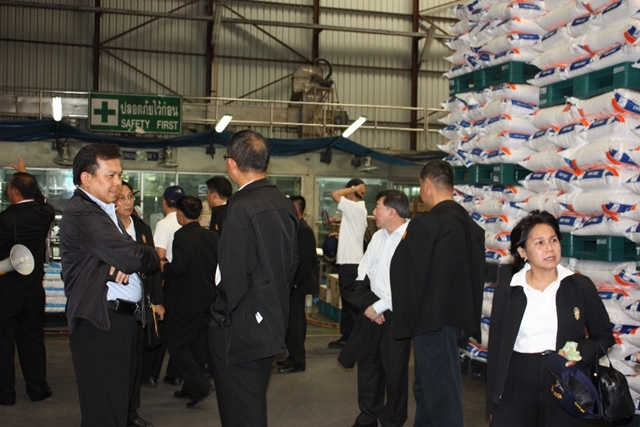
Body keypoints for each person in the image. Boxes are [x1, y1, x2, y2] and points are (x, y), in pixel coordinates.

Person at [60, 144, 160, 427]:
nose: (118, 182)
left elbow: (130, 256)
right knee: (104, 409)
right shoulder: (84, 213)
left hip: (119, 319)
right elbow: (134, 256)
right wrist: (143, 255)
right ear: (86, 178)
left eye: (120, 175)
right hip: (101, 322)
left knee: (118, 400)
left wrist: (115, 262)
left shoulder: (105, 211)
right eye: (110, 175)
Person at [486, 210, 615, 427]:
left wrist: (581, 352)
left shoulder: (579, 286)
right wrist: (493, 403)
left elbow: (604, 335)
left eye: (553, 240)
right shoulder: (508, 290)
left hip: (564, 381)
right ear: (523, 251)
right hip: (517, 382)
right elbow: (497, 349)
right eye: (539, 243)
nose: (549, 248)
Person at [209, 129, 298, 427]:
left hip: (241, 325)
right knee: (251, 401)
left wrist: (219, 315)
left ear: (231, 163)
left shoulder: (241, 206)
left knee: (239, 410)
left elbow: (234, 273)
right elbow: (291, 263)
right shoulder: (284, 203)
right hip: (271, 320)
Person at [390, 160, 485, 427]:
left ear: (428, 184)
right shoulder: (470, 226)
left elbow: (406, 273)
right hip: (455, 322)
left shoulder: (427, 225)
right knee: (428, 389)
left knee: (441, 395)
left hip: (430, 322)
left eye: (421, 186)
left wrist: (407, 319)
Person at [339, 189, 411, 427]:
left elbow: (410, 285)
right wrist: (370, 304)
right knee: (368, 367)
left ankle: (392, 421)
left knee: (394, 372)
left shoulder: (412, 238)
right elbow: (364, 271)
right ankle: (367, 418)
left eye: (378, 206)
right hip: (371, 311)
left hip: (396, 315)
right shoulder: (379, 236)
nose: (374, 212)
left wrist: (380, 306)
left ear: (392, 211)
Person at [0, 164, 54, 406]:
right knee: (33, 341)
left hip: (6, 292)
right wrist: (26, 175)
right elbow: (40, 200)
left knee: (3, 343)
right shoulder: (45, 214)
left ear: (15, 193)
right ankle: (37, 390)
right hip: (33, 290)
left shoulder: (4, 219)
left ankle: (5, 394)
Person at [160, 195, 218, 408]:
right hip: (208, 298)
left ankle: (201, 386)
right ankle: (190, 387)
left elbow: (179, 268)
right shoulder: (212, 236)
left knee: (176, 344)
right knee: (197, 345)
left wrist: (164, 266)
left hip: (185, 301)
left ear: (180, 215)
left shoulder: (182, 236)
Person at [114, 181, 163, 427]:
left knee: (135, 362)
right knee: (117, 366)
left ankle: (131, 412)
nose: (127, 202)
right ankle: (116, 413)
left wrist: (158, 301)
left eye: (130, 197)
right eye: (121, 198)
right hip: (113, 306)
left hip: (139, 305)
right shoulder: (107, 227)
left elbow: (153, 267)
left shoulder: (142, 228)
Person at [276, 195, 318, 374]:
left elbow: (304, 260)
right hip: (292, 283)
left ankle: (297, 361)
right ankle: (292, 357)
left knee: (296, 324)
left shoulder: (304, 230)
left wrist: (295, 283)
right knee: (291, 323)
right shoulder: (294, 227)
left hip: (298, 285)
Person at [328, 178, 368, 349]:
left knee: (351, 304)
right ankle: (349, 336)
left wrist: (353, 188)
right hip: (351, 262)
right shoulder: (356, 210)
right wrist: (341, 236)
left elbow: (334, 194)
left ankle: (352, 338)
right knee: (348, 302)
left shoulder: (355, 208)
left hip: (351, 263)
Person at [152, 184, 184, 387]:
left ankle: (152, 373)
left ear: (164, 202)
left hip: (168, 280)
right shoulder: (186, 221)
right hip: (184, 282)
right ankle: (176, 372)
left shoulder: (163, 224)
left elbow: (160, 255)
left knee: (163, 329)